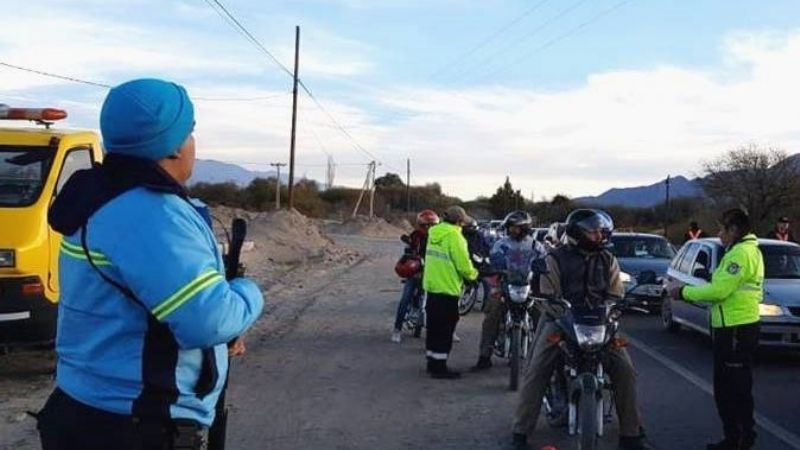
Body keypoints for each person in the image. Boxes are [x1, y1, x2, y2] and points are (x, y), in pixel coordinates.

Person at [40, 79, 265, 450]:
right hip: (137, 426)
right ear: (174, 145)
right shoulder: (153, 215)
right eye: (189, 132)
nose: (193, 143)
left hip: (86, 407)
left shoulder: (99, 196)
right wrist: (246, 292)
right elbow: (208, 320)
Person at [512, 209, 652, 450]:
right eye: (594, 231)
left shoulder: (608, 259)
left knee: (626, 370)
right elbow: (548, 291)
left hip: (599, 323)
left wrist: (615, 306)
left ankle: (632, 434)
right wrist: (556, 306)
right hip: (562, 320)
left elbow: (616, 291)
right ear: (578, 233)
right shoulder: (554, 258)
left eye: (602, 231)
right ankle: (520, 433)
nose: (600, 235)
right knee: (536, 369)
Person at [669, 208, 763, 450]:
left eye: (722, 228)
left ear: (733, 230)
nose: (719, 233)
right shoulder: (743, 251)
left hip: (735, 328)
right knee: (729, 386)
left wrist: (683, 292)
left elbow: (719, 291)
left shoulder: (739, 255)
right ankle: (735, 437)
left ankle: (739, 439)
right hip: (734, 324)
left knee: (733, 388)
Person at [472, 210, 543, 371]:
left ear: (525, 228)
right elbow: (494, 260)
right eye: (510, 227)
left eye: (515, 227)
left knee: (542, 316)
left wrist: (543, 275)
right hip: (505, 284)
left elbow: (544, 263)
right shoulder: (501, 244)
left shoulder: (536, 246)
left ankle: (542, 358)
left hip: (529, 287)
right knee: (492, 315)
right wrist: (491, 268)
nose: (511, 230)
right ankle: (484, 356)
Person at [422, 205, 479, 379]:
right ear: (459, 221)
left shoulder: (434, 232)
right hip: (447, 289)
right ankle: (440, 367)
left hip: (432, 287)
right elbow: (463, 264)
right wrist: (474, 275)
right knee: (446, 329)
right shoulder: (455, 236)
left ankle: (432, 361)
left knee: (433, 327)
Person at [392, 209, 440, 343]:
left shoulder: (438, 238)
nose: (429, 228)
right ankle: (397, 329)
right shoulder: (415, 236)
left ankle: (444, 332)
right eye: (426, 225)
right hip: (416, 273)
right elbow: (409, 249)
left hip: (431, 274)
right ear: (421, 225)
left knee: (437, 303)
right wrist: (413, 255)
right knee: (405, 299)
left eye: (432, 225)